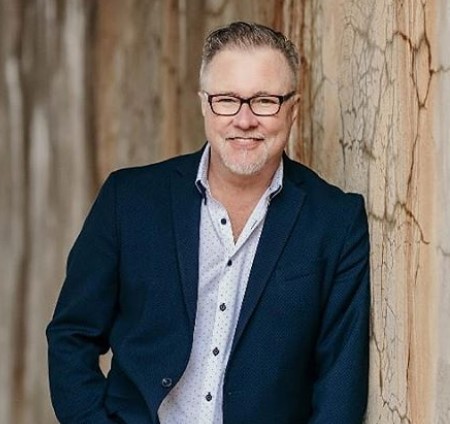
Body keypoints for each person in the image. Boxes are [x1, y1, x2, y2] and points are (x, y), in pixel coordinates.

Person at [47, 21, 370, 424]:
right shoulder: (128, 201)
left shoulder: (336, 223)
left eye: (265, 101)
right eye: (227, 100)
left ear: (293, 109)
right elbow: (71, 335)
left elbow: (340, 388)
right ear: (204, 104)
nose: (244, 119)